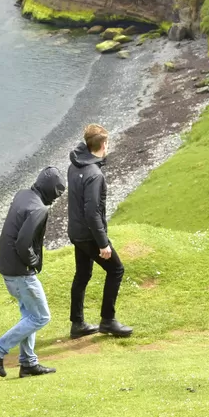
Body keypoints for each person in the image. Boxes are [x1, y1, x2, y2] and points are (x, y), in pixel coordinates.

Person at [0, 167, 66, 379]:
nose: (54, 201)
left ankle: (28, 363)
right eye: (55, 196)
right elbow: (23, 243)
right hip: (21, 273)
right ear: (49, 191)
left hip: (8, 269)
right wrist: (33, 261)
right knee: (41, 317)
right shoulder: (38, 209)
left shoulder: (22, 195)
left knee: (29, 315)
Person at [67, 124, 133, 339]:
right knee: (116, 270)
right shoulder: (95, 175)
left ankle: (77, 324)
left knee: (83, 274)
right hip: (88, 235)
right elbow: (93, 213)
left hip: (76, 232)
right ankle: (108, 321)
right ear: (103, 145)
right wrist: (103, 243)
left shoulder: (74, 166)